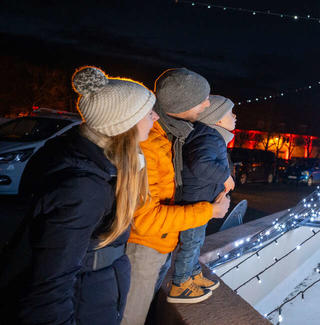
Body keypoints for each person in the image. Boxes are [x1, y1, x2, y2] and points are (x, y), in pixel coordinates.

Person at [1, 66, 157, 324]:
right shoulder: (84, 187)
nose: (155, 117)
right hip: (84, 305)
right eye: (147, 111)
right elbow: (48, 290)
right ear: (123, 123)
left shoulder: (99, 166)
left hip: (94, 296)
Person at [121, 69, 230, 324]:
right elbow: (145, 218)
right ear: (181, 104)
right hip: (145, 247)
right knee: (130, 317)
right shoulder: (149, 141)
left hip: (160, 242)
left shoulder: (175, 133)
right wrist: (209, 211)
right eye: (201, 99)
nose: (207, 103)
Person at [169, 95, 236, 302]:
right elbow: (201, 164)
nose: (234, 116)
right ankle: (180, 284)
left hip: (202, 200)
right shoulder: (209, 136)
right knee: (191, 242)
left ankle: (193, 273)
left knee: (196, 241)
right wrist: (224, 176)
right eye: (229, 113)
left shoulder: (213, 136)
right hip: (195, 200)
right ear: (217, 119)